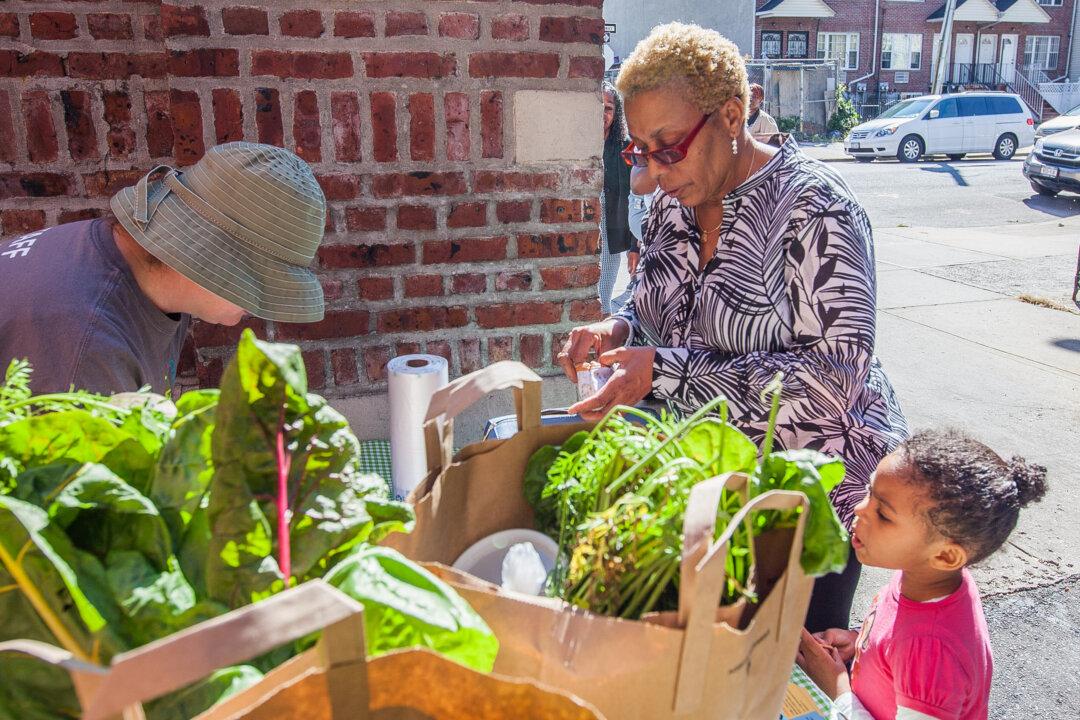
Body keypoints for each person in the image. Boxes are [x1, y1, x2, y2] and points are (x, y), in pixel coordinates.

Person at [556, 22, 908, 631]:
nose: (655, 170)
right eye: (639, 149)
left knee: (784, 665)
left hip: (803, 494)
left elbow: (830, 383)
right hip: (708, 480)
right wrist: (619, 328)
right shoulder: (673, 199)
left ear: (731, 113)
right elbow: (654, 301)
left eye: (669, 145)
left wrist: (662, 371)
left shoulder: (816, 213)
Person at [0, 141, 327, 395]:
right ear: (207, 256)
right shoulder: (86, 347)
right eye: (260, 281)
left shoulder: (145, 276)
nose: (261, 305)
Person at [798, 430, 1047, 720]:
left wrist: (837, 687)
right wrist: (860, 641)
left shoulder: (933, 653)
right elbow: (898, 632)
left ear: (945, 555)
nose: (859, 509)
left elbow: (919, 654)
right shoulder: (927, 579)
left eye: (884, 515)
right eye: (869, 492)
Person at [599, 82, 636, 315]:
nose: (603, 114)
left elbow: (636, 196)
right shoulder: (577, 145)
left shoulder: (625, 146)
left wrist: (634, 244)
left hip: (612, 223)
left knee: (603, 298)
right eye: (598, 106)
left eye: (608, 108)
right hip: (583, 220)